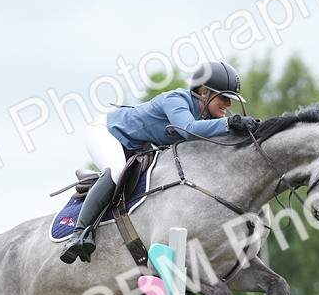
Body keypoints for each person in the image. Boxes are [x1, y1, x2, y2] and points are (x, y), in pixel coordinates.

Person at [61, 60, 257, 263]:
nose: (229, 104)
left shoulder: (207, 117)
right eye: (224, 97)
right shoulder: (176, 100)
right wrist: (229, 123)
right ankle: (79, 234)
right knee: (117, 170)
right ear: (204, 92)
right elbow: (188, 130)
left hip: (136, 147)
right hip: (107, 132)